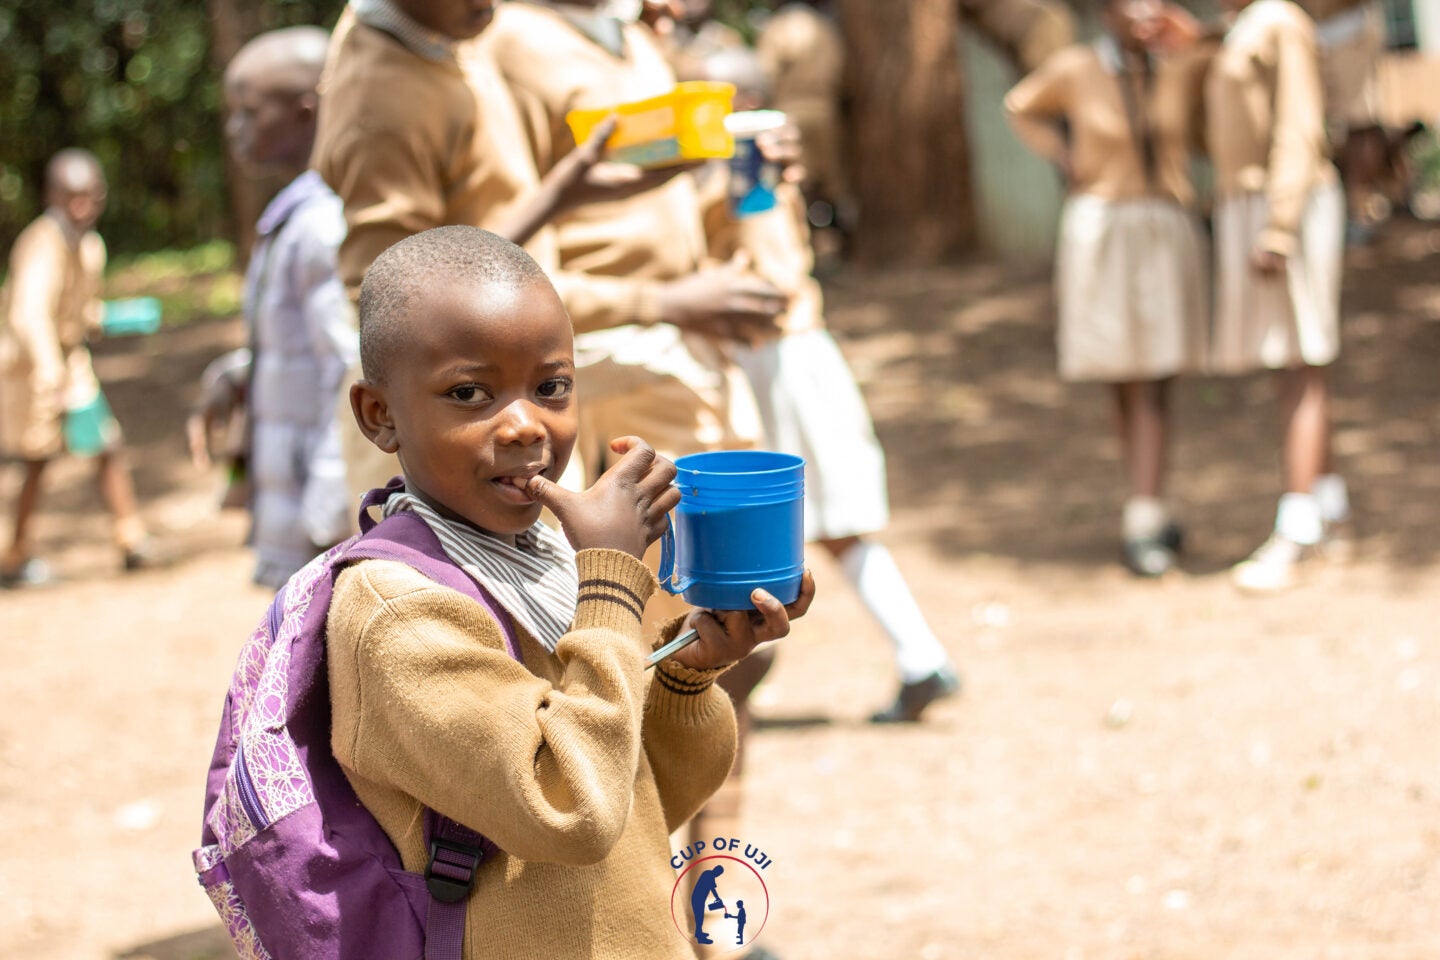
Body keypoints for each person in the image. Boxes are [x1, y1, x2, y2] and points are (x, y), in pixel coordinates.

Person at [333, 225, 815, 957]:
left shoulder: (538, 559)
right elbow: (572, 809)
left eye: (551, 386)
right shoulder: (397, 612)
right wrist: (612, 580)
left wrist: (687, 670)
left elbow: (636, 805)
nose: (527, 424)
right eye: (469, 392)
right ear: (380, 415)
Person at [1004, 0, 1210, 576]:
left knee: (1154, 377)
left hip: (1165, 222)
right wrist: (1065, 155)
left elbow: (1224, 69)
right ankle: (1148, 507)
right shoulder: (1076, 68)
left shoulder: (1179, 62)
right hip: (1103, 224)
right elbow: (1020, 106)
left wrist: (1193, 36)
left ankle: (1145, 511)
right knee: (1124, 376)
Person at [1205, 0, 1351, 592]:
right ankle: (1332, 512)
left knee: (1301, 367)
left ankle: (1296, 529)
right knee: (1295, 363)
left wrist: (1280, 226)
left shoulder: (1281, 21)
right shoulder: (1244, 25)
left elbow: (1299, 125)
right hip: (1255, 203)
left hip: (1283, 205)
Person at [221, 26, 357, 587]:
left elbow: (348, 371)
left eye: (249, 112)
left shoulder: (323, 223)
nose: (235, 128)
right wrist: (237, 374)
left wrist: (329, 510)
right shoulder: (295, 214)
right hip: (298, 495)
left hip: (317, 513)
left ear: (305, 112)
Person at [0, 149, 158, 586]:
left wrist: (108, 317)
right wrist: (50, 372)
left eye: (90, 196)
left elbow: (79, 309)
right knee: (39, 457)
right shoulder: (42, 242)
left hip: (70, 360)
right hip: (34, 365)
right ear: (52, 196)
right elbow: (28, 315)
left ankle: (131, 538)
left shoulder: (89, 244)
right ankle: (13, 555)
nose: (82, 206)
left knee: (105, 444)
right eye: (72, 196)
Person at [1296, 0, 1390, 244]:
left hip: (1350, 30)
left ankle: (1364, 208)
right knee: (1331, 126)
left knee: (1359, 125)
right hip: (1318, 31)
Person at [689, 863, 726, 944]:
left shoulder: (708, 873)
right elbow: (713, 889)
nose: (718, 875)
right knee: (699, 917)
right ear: (717, 871)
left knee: (700, 917)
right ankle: (700, 938)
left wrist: (717, 898)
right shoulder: (709, 875)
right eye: (719, 874)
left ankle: (699, 932)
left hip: (699, 898)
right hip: (698, 898)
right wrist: (717, 898)